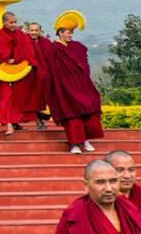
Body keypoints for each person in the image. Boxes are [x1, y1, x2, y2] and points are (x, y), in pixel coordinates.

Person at [34, 16, 104, 154]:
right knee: (71, 115)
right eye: (68, 32)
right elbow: (49, 68)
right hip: (63, 87)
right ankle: (74, 144)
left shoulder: (77, 47)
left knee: (87, 109)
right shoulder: (53, 48)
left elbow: (84, 66)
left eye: (72, 32)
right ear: (60, 32)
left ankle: (85, 140)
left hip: (80, 85)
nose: (70, 35)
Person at [0, 11, 44, 135]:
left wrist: (20, 61)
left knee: (18, 98)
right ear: (4, 22)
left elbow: (28, 51)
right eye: (11, 22)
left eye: (15, 22)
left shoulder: (21, 35)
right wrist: (6, 59)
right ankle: (8, 125)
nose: (14, 25)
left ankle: (15, 122)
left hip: (19, 71)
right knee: (6, 98)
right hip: (4, 73)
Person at [24, 22, 51, 129]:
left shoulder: (45, 43)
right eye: (31, 30)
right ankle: (38, 121)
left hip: (44, 75)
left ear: (40, 31)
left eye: (36, 30)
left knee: (42, 99)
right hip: (29, 74)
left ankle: (41, 118)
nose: (34, 32)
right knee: (32, 99)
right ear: (27, 31)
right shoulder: (24, 41)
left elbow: (51, 57)